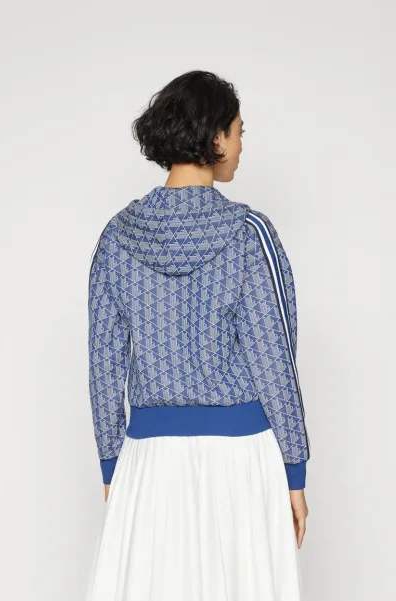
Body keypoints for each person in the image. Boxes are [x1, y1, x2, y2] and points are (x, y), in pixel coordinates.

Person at [85, 69, 310, 601]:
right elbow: (274, 359)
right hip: (241, 458)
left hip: (149, 461)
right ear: (215, 136)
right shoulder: (249, 234)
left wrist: (112, 465)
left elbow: (103, 364)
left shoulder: (116, 236)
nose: (241, 145)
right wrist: (295, 471)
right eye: (238, 131)